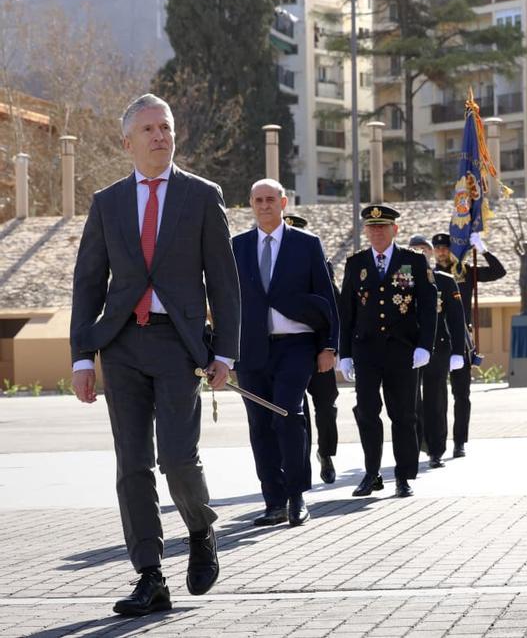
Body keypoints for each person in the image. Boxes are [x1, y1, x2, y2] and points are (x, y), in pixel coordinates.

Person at [69, 94, 239, 616]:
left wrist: (225, 355)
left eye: (165, 127)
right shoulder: (108, 202)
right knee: (133, 465)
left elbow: (225, 284)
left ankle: (201, 529)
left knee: (177, 458)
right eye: (147, 129)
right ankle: (149, 575)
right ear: (128, 142)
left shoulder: (201, 196)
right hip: (121, 344)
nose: (159, 136)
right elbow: (89, 282)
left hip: (177, 344)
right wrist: (82, 357)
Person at [232, 182, 338, 528]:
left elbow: (326, 298)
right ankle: (273, 500)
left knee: (288, 415)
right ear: (251, 204)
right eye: (258, 200)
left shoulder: (306, 244)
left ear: (283, 203)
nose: (264, 206)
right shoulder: (238, 247)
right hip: (252, 350)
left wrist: (328, 346)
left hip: (296, 345)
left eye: (270, 200)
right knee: (260, 426)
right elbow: (225, 303)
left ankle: (296, 496)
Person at [338, 205, 436, 498]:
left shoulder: (413, 261)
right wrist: (344, 353)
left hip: (403, 350)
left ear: (395, 230)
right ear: (365, 231)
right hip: (366, 350)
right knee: (367, 412)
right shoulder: (356, 263)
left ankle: (404, 476)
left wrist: (424, 345)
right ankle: (372, 474)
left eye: (383, 227)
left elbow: (429, 307)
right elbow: (347, 311)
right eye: (372, 227)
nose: (377, 232)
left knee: (403, 414)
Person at [432, 231, 506, 457]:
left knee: (461, 394)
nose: (442, 251)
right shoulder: (429, 274)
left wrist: (483, 250)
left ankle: (459, 441)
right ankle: (436, 443)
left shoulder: (464, 271)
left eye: (445, 247)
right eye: (438, 248)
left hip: (462, 338)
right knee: (435, 395)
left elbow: (498, 272)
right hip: (436, 338)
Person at [283, 213, 340, 485]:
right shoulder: (274, 270)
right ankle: (300, 462)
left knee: (326, 407)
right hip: (290, 350)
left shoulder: (320, 266)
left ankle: (326, 454)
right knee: (297, 411)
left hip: (320, 348)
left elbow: (334, 307)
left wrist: (333, 347)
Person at [409, 234, 467, 469]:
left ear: (431, 253)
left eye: (423, 250)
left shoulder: (443, 280)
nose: (420, 254)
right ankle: (414, 444)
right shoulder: (400, 279)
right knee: (410, 402)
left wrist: (458, 351)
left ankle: (436, 449)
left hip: (437, 347)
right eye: (414, 250)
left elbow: (456, 317)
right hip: (408, 348)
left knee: (436, 400)